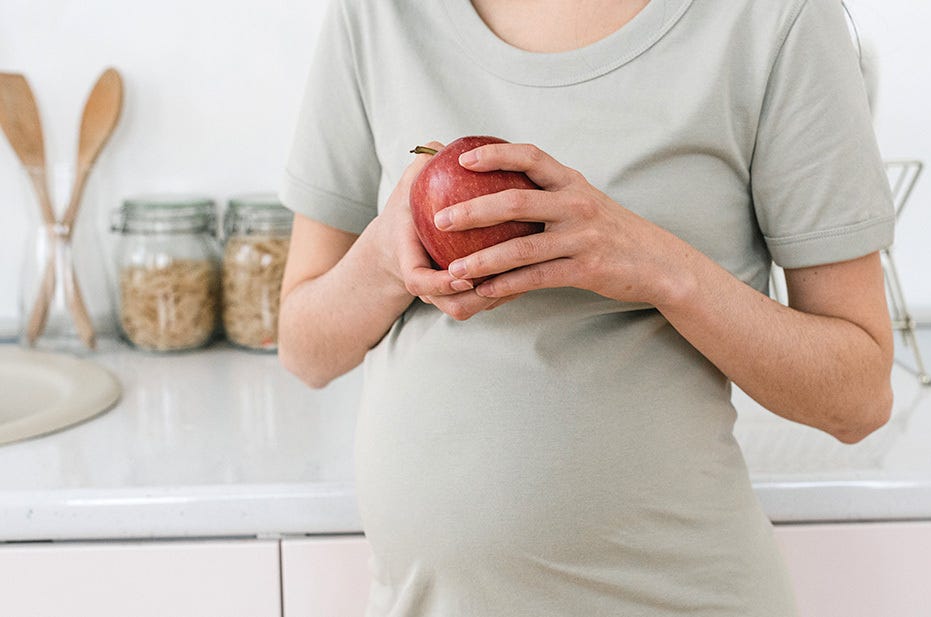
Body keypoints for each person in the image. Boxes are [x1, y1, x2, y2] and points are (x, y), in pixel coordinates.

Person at [277, 0, 895, 614]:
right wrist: (385, 259)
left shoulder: (775, 19)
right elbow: (305, 351)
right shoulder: (377, 16)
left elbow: (857, 400)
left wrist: (658, 267)